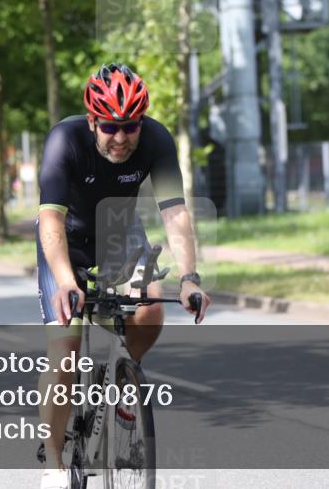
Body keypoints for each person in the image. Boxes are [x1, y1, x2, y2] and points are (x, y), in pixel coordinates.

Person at [35, 63, 210, 489]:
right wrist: (65, 281)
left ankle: (121, 380)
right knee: (65, 354)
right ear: (93, 120)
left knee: (151, 307)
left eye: (129, 126)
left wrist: (190, 276)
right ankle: (54, 461)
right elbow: (50, 222)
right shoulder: (65, 140)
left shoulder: (156, 139)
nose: (120, 138)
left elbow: (174, 211)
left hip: (118, 232)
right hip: (67, 243)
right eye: (110, 126)